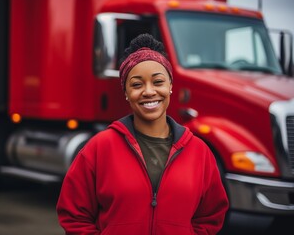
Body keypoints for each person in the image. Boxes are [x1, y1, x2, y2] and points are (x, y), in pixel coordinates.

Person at [56, 33, 229, 234]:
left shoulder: (199, 152)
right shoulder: (99, 148)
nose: (149, 92)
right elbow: (74, 215)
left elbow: (211, 216)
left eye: (158, 82)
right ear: (126, 93)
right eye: (137, 84)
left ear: (170, 86)